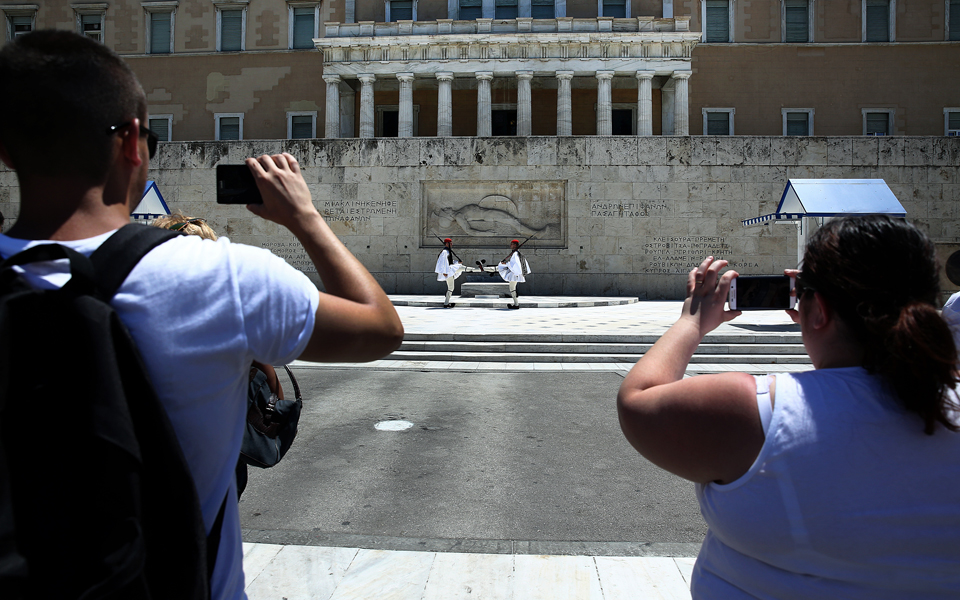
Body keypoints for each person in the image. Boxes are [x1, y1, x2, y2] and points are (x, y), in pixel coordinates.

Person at [0, 30, 403, 600]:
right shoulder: (224, 279)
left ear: (6, 150)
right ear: (133, 144)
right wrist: (305, 219)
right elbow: (380, 326)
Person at [617, 215, 960, 599]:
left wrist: (691, 321)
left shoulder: (753, 410)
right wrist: (821, 315)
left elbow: (637, 399)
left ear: (818, 309)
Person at [497, 239, 531, 309]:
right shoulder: (517, 253)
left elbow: (514, 265)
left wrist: (506, 263)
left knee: (512, 288)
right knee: (512, 288)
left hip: (514, 274)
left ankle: (516, 304)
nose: (510, 245)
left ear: (515, 245)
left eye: (512, 244)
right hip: (514, 273)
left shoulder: (515, 254)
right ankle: (516, 304)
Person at [435, 237, 463, 308]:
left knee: (451, 288)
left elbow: (450, 262)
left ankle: (446, 302)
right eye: (451, 243)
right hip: (448, 272)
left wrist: (457, 262)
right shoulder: (444, 252)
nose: (452, 244)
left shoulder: (448, 251)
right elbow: (442, 263)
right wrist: (444, 272)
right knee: (451, 288)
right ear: (447, 244)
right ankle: (446, 303)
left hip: (450, 270)